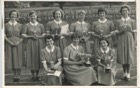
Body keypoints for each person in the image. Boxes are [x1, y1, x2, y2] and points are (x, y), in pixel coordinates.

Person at [22, 11, 46, 81]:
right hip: (30, 42)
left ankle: (37, 75)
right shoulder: (26, 25)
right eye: (31, 16)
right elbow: (23, 34)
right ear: (29, 17)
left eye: (34, 16)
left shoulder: (41, 25)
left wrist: (39, 36)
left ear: (36, 16)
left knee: (38, 57)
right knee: (32, 58)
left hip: (39, 42)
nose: (33, 17)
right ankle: (33, 75)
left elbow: (44, 34)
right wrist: (30, 36)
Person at [115, 5, 136, 81]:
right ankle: (124, 73)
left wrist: (135, 42)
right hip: (121, 39)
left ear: (128, 11)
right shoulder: (118, 21)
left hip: (130, 39)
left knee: (129, 56)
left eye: (126, 10)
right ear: (121, 12)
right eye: (123, 11)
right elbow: (116, 33)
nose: (124, 12)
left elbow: (134, 33)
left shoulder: (132, 21)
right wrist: (121, 31)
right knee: (123, 56)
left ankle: (128, 73)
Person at [5, 10, 23, 82]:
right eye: (12, 14)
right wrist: (9, 42)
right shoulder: (5, 25)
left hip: (18, 43)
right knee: (12, 59)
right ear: (10, 15)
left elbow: (22, 36)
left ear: (17, 16)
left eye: (15, 15)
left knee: (18, 59)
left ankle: (18, 75)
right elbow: (4, 35)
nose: (13, 16)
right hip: (9, 44)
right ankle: (14, 75)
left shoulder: (20, 25)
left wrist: (18, 42)